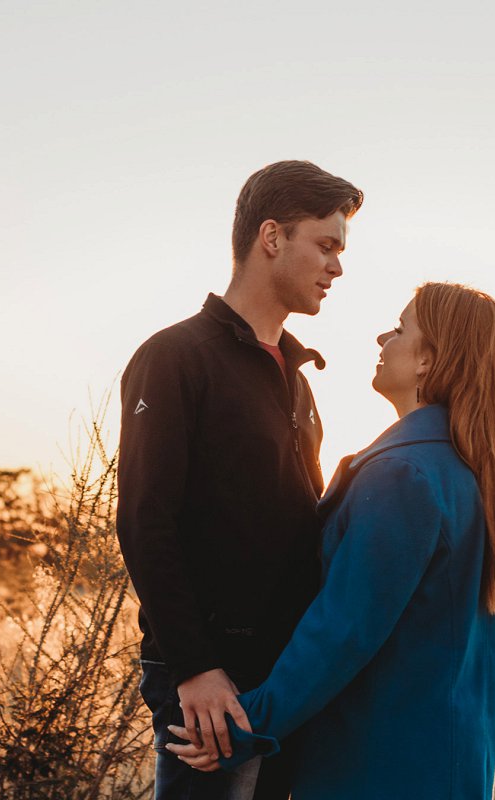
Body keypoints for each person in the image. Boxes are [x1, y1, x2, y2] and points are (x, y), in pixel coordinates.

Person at [167, 282, 495, 799]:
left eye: (400, 328)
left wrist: (241, 726)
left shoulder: (404, 475)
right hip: (445, 762)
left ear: (427, 362)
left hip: (380, 764)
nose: (382, 337)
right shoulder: (473, 474)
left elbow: (342, 632)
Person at [117, 161, 363, 800]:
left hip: (289, 676)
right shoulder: (174, 357)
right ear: (272, 236)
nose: (338, 267)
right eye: (327, 245)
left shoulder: (298, 377)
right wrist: (194, 667)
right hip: (210, 677)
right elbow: (146, 520)